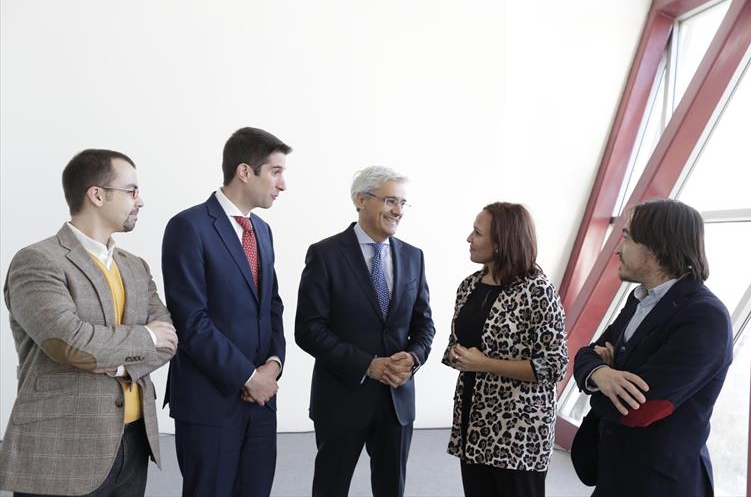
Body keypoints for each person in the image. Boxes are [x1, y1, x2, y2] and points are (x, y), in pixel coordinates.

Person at [0, 149, 178, 496]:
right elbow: (70, 343)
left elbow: (168, 338)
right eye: (132, 191)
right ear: (97, 194)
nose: (140, 201)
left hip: (133, 442)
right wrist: (145, 337)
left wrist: (117, 363)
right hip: (62, 446)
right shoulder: (37, 261)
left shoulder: (135, 266)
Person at [572, 199, 732, 496]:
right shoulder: (640, 299)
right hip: (616, 470)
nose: (618, 249)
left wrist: (597, 378)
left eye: (627, 238)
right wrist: (601, 374)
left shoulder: (705, 317)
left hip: (658, 483)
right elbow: (586, 355)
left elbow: (642, 408)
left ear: (656, 248)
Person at [161, 127, 290, 496]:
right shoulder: (189, 226)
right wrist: (248, 377)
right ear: (245, 171)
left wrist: (273, 365)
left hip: (261, 402)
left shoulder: (262, 230)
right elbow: (191, 321)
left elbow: (272, 307)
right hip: (210, 403)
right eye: (276, 172)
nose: (283, 185)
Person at [295, 166, 435, 497]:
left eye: (402, 203)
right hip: (341, 399)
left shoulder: (413, 257)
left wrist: (413, 358)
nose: (398, 211)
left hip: (396, 401)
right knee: (330, 488)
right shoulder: (325, 254)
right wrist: (367, 365)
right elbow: (309, 329)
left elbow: (424, 324)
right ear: (361, 200)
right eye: (390, 201)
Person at [442, 202, 568, 497]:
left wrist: (485, 363)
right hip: (473, 424)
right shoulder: (469, 286)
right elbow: (455, 344)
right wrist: (458, 355)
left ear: (501, 242)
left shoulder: (538, 291)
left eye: (477, 233)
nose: (469, 239)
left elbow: (554, 366)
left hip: (518, 434)